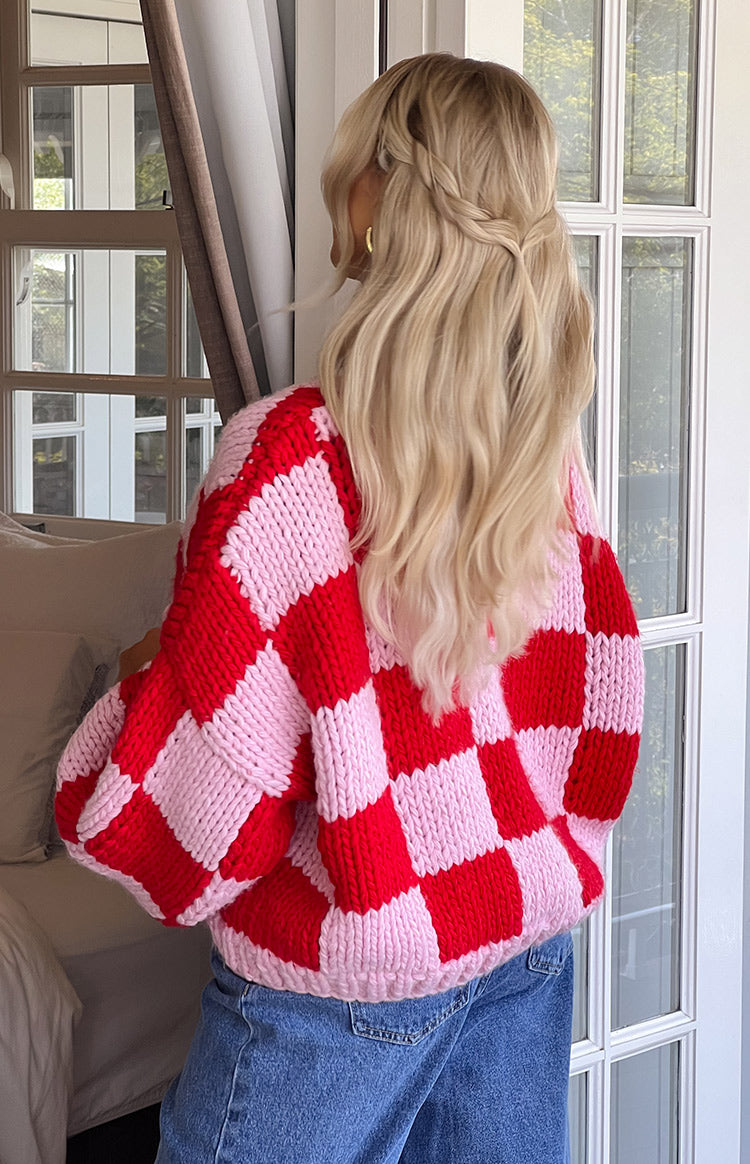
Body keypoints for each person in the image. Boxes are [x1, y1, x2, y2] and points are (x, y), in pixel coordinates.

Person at [55, 53, 644, 1164]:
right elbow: (598, 715)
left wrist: (129, 696)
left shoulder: (288, 459)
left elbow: (208, 804)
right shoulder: (541, 450)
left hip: (340, 988)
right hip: (522, 944)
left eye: (353, 165)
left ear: (385, 193)